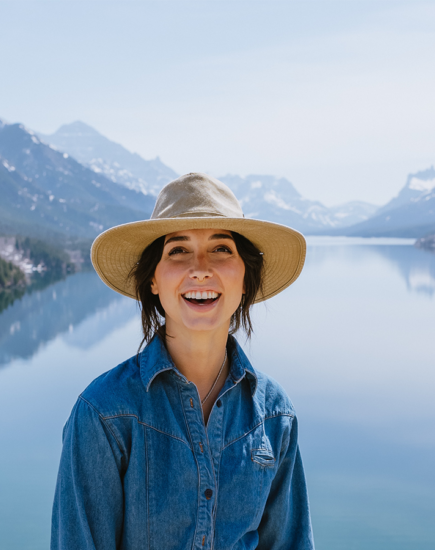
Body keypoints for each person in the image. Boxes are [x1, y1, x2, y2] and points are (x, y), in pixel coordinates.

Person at [51, 173, 314, 549]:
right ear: (154, 280)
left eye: (222, 249)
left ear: (244, 278)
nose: (201, 268)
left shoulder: (275, 415)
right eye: (178, 251)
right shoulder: (104, 413)